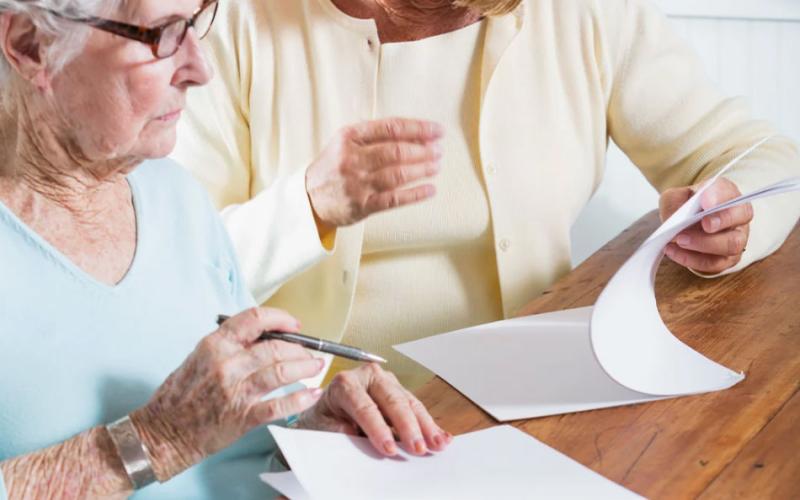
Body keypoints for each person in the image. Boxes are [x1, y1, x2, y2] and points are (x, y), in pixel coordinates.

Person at [172, 0, 800, 390]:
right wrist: (307, 206)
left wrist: (736, 213)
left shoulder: (581, 13)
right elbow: (171, 274)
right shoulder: (228, 23)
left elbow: (759, 156)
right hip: (317, 418)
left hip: (540, 398)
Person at [0, 1, 451, 498]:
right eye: (163, 34)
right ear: (29, 45)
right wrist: (155, 440)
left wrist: (313, 436)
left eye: (195, 24)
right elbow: (176, 439)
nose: (201, 68)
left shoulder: (173, 195)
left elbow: (231, 451)